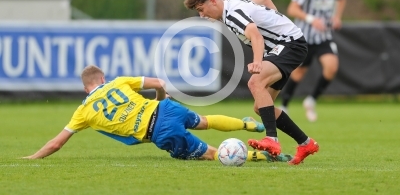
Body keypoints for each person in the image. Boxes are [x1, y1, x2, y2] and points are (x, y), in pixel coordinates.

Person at [22, 65, 292, 163]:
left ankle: (265, 156)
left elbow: (57, 143)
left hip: (159, 131)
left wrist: (32, 157)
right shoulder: (118, 82)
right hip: (165, 108)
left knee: (212, 154)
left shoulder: (82, 111)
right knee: (205, 121)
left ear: (85, 87)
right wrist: (161, 101)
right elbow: (160, 84)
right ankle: (248, 126)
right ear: (102, 78)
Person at [184, 0, 319, 165]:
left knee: (255, 82)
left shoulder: (232, 14)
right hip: (286, 46)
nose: (201, 15)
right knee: (261, 107)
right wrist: (277, 21)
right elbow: (265, 0)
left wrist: (257, 61)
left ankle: (272, 139)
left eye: (201, 9)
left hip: (290, 44)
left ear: (213, 1)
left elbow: (255, 35)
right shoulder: (232, 2)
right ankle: (305, 143)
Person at [280, 0, 346, 122]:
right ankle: (284, 106)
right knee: (298, 73)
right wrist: (311, 19)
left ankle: (311, 100)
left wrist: (337, 16)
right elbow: (292, 8)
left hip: (324, 36)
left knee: (332, 67)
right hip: (305, 37)